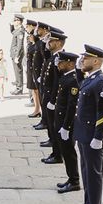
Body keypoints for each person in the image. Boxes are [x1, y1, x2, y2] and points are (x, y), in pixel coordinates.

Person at [71, 44, 103, 204]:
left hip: (92, 136)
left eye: (85, 58)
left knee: (93, 175)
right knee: (86, 173)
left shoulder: (101, 81)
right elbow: (82, 87)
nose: (82, 60)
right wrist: (78, 70)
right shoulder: (91, 78)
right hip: (84, 134)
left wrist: (98, 137)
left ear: (95, 61)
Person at [55, 52, 81, 193]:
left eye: (62, 62)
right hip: (61, 121)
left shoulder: (73, 80)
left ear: (71, 64)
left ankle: (75, 181)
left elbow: (72, 106)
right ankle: (70, 178)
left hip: (67, 123)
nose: (59, 64)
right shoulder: (65, 77)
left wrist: (66, 127)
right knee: (65, 151)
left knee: (69, 152)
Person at [40, 27, 67, 165]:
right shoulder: (53, 56)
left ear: (59, 43)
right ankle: (54, 150)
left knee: (55, 127)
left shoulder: (61, 58)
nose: (48, 42)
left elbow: (58, 82)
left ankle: (57, 154)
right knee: (51, 126)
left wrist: (52, 100)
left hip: (53, 98)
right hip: (48, 95)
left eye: (51, 40)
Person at [9, 14, 26, 95]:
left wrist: (17, 56)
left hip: (17, 54)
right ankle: (17, 83)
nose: (14, 21)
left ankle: (19, 88)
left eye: (16, 20)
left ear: (20, 22)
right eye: (14, 20)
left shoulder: (20, 31)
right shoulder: (17, 29)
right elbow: (12, 32)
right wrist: (11, 25)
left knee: (18, 71)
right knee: (16, 70)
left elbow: (20, 45)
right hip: (14, 53)